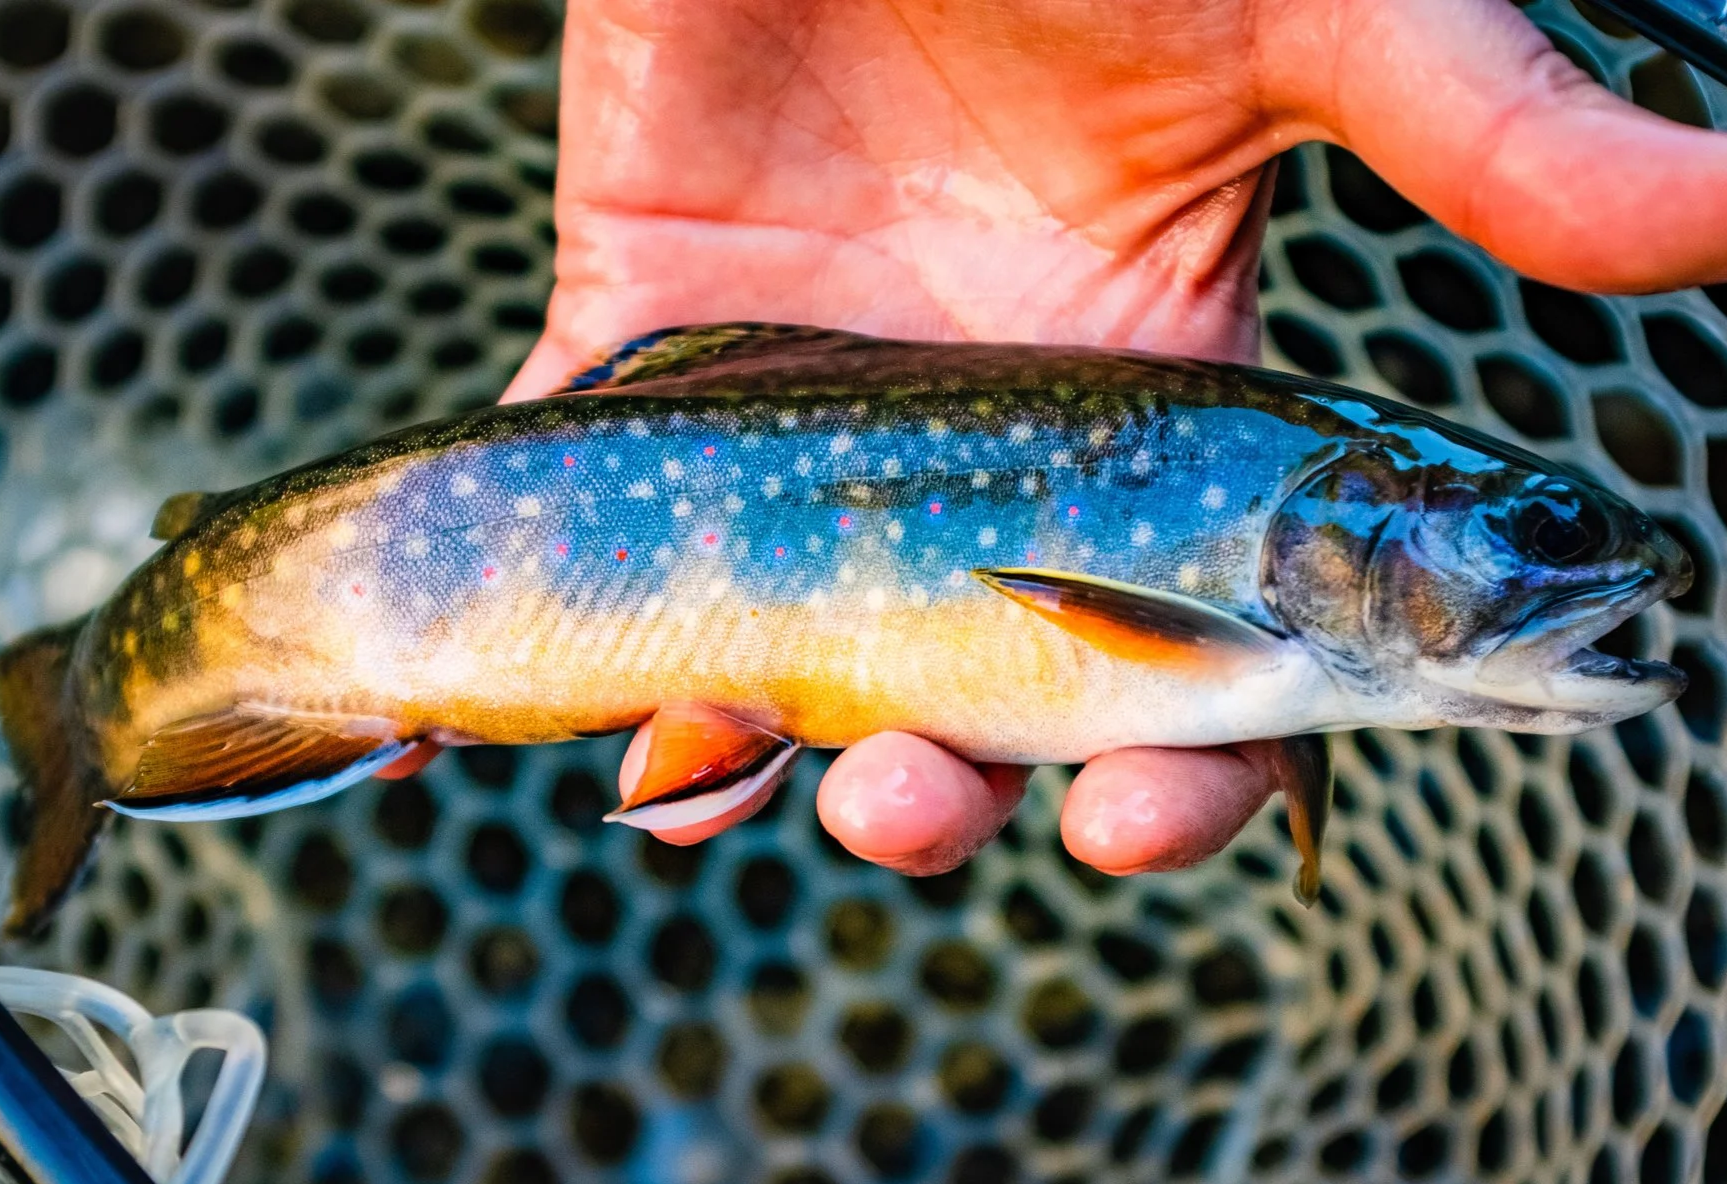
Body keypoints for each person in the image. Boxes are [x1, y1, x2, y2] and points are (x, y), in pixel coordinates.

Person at [504, 0, 1727, 879]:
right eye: (1538, 534)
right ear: (1351, 510)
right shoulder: (1264, 619)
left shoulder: (1284, 625)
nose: (1635, 582)